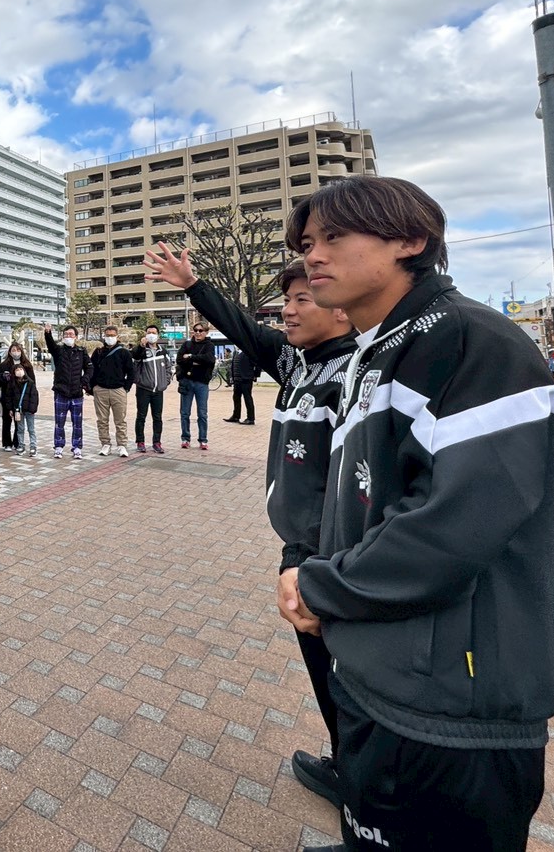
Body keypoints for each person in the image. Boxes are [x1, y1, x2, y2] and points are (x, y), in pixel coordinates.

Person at [276, 176, 554, 852]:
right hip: (384, 669)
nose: (313, 255)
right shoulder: (382, 347)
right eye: (307, 242)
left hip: (453, 697)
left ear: (410, 240)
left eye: (333, 237)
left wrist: (321, 585)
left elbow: (453, 523)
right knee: (374, 827)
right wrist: (310, 563)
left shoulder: (468, 339)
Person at [144, 246, 355, 810]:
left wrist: (305, 554)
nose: (287, 311)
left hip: (334, 555)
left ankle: (365, 788)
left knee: (348, 674)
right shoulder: (298, 362)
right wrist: (193, 285)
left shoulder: (357, 371)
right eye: (286, 300)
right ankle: (348, 765)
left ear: (341, 305)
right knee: (326, 670)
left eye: (302, 299)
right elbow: (242, 327)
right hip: (304, 552)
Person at [43, 324, 89, 459]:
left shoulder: (81, 351)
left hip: (76, 393)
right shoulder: (59, 350)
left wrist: (84, 381)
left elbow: (89, 368)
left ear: (76, 336)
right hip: (61, 392)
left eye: (71, 334)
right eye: (66, 334)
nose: (68, 336)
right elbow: (51, 345)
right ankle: (58, 446)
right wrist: (47, 333)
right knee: (59, 422)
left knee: (77, 423)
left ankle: (77, 447)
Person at [87, 325, 134, 457]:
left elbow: (131, 372)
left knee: (120, 420)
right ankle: (105, 444)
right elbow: (92, 370)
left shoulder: (124, 353)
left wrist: (126, 388)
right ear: (104, 336)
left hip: (118, 390)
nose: (110, 337)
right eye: (107, 335)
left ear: (117, 336)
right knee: (102, 420)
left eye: (112, 335)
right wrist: (93, 387)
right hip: (100, 390)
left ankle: (122, 445)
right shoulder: (98, 352)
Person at [130, 323, 171, 453]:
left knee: (157, 417)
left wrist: (165, 382)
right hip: (144, 389)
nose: (151, 335)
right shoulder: (141, 350)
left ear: (158, 335)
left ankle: (157, 442)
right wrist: (141, 346)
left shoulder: (163, 351)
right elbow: (135, 357)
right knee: (141, 416)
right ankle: (140, 442)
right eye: (149, 333)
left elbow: (168, 368)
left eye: (154, 333)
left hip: (158, 390)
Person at [175, 322, 215, 450]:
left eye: (201, 330)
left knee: (202, 413)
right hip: (187, 382)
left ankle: (203, 440)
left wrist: (191, 357)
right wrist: (197, 361)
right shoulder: (187, 344)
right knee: (185, 412)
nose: (198, 333)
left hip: (202, 383)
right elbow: (179, 360)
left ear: (206, 332)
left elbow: (210, 360)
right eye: (195, 330)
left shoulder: (209, 345)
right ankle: (185, 438)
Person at [0, 343, 38, 455]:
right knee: (7, 420)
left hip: (23, 399)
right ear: (10, 352)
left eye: (18, 350)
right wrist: (3, 378)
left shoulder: (27, 365)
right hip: (8, 396)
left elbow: (32, 383)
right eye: (13, 350)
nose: (16, 352)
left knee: (19, 423)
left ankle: (18, 443)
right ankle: (7, 443)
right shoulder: (4, 365)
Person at [224, 347, 261, 425]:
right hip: (237, 379)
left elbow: (258, 363)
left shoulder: (249, 351)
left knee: (247, 398)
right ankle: (236, 416)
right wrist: (232, 377)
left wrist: (255, 375)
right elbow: (233, 364)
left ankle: (250, 418)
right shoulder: (235, 352)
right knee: (236, 397)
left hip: (246, 379)